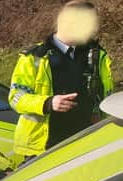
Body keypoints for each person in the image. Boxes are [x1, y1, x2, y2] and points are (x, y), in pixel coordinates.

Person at [9, 1, 114, 160]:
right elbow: (16, 98)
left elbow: (105, 96)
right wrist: (49, 103)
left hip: (86, 143)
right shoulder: (35, 57)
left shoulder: (97, 55)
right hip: (44, 147)